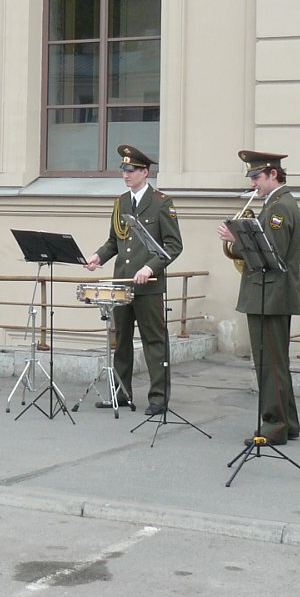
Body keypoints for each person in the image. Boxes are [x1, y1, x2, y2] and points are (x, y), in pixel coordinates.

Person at [85, 145, 184, 416]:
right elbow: (114, 241)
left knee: (154, 342)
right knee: (121, 341)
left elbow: (174, 246)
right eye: (124, 171)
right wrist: (98, 256)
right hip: (123, 284)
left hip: (149, 286)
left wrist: (151, 268)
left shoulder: (162, 202)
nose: (126, 175)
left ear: (145, 172)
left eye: (131, 171)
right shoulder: (121, 202)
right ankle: (121, 394)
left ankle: (158, 398)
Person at [218, 150, 300, 445]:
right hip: (269, 294)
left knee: (269, 364)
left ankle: (274, 426)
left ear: (273, 175)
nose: (254, 183)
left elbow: (273, 252)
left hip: (271, 294)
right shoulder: (276, 204)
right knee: (276, 362)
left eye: (257, 177)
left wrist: (236, 239)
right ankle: (288, 422)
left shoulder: (279, 208)